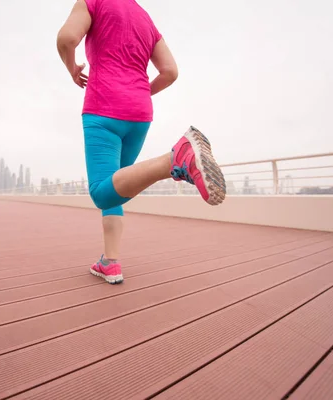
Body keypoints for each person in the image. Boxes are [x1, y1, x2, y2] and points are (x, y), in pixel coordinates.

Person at [57, 0, 226, 284]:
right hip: (139, 113)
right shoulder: (145, 18)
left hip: (103, 107)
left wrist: (72, 67)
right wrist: (138, 91)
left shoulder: (94, 1)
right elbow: (170, 71)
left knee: (101, 192)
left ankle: (174, 159)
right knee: (119, 184)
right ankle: (109, 262)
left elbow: (66, 38)